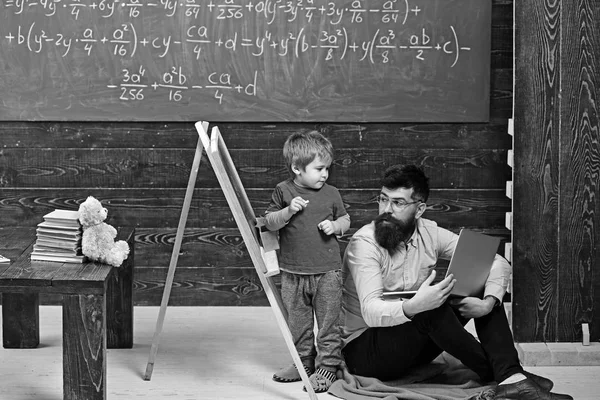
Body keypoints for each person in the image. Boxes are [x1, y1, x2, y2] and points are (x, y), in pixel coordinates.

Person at [339, 164, 573, 400]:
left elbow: (493, 261)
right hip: (365, 351)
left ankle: (512, 378)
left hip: (411, 343)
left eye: (398, 203)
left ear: (419, 209)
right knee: (429, 310)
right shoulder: (364, 244)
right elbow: (370, 311)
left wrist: (488, 303)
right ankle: (513, 376)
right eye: (383, 199)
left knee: (479, 280)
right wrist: (416, 305)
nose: (386, 209)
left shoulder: (429, 232)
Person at [264, 130, 350, 393]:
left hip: (327, 272)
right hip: (292, 272)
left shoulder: (331, 193)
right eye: (319, 168)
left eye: (327, 169)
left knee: (328, 322)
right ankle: (303, 362)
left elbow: (346, 220)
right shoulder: (284, 191)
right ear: (297, 168)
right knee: (298, 322)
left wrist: (335, 226)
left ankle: (328, 366)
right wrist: (289, 211)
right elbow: (269, 222)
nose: (325, 174)